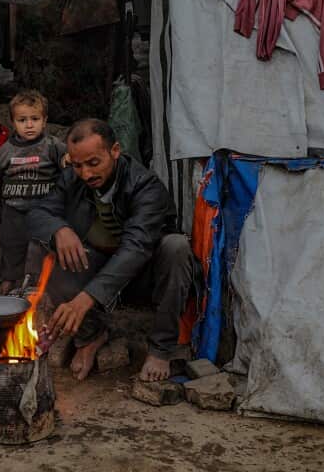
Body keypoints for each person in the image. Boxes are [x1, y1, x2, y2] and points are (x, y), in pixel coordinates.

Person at [27, 118, 197, 382]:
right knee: (44, 250)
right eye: (78, 165)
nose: (85, 174)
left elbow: (136, 248)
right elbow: (38, 212)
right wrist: (59, 229)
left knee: (177, 247)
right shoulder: (72, 179)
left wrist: (86, 298)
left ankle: (161, 349)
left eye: (94, 163)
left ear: (115, 151)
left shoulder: (146, 187)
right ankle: (91, 336)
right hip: (96, 265)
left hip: (142, 275)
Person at [0, 90, 67, 294]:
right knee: (11, 248)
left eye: (35, 119)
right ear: (13, 122)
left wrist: (67, 161)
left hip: (44, 210)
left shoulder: (52, 146)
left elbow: (68, 162)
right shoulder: (5, 151)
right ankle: (8, 280)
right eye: (22, 120)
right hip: (13, 211)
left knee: (42, 247)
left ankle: (40, 284)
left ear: (44, 121)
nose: (29, 125)